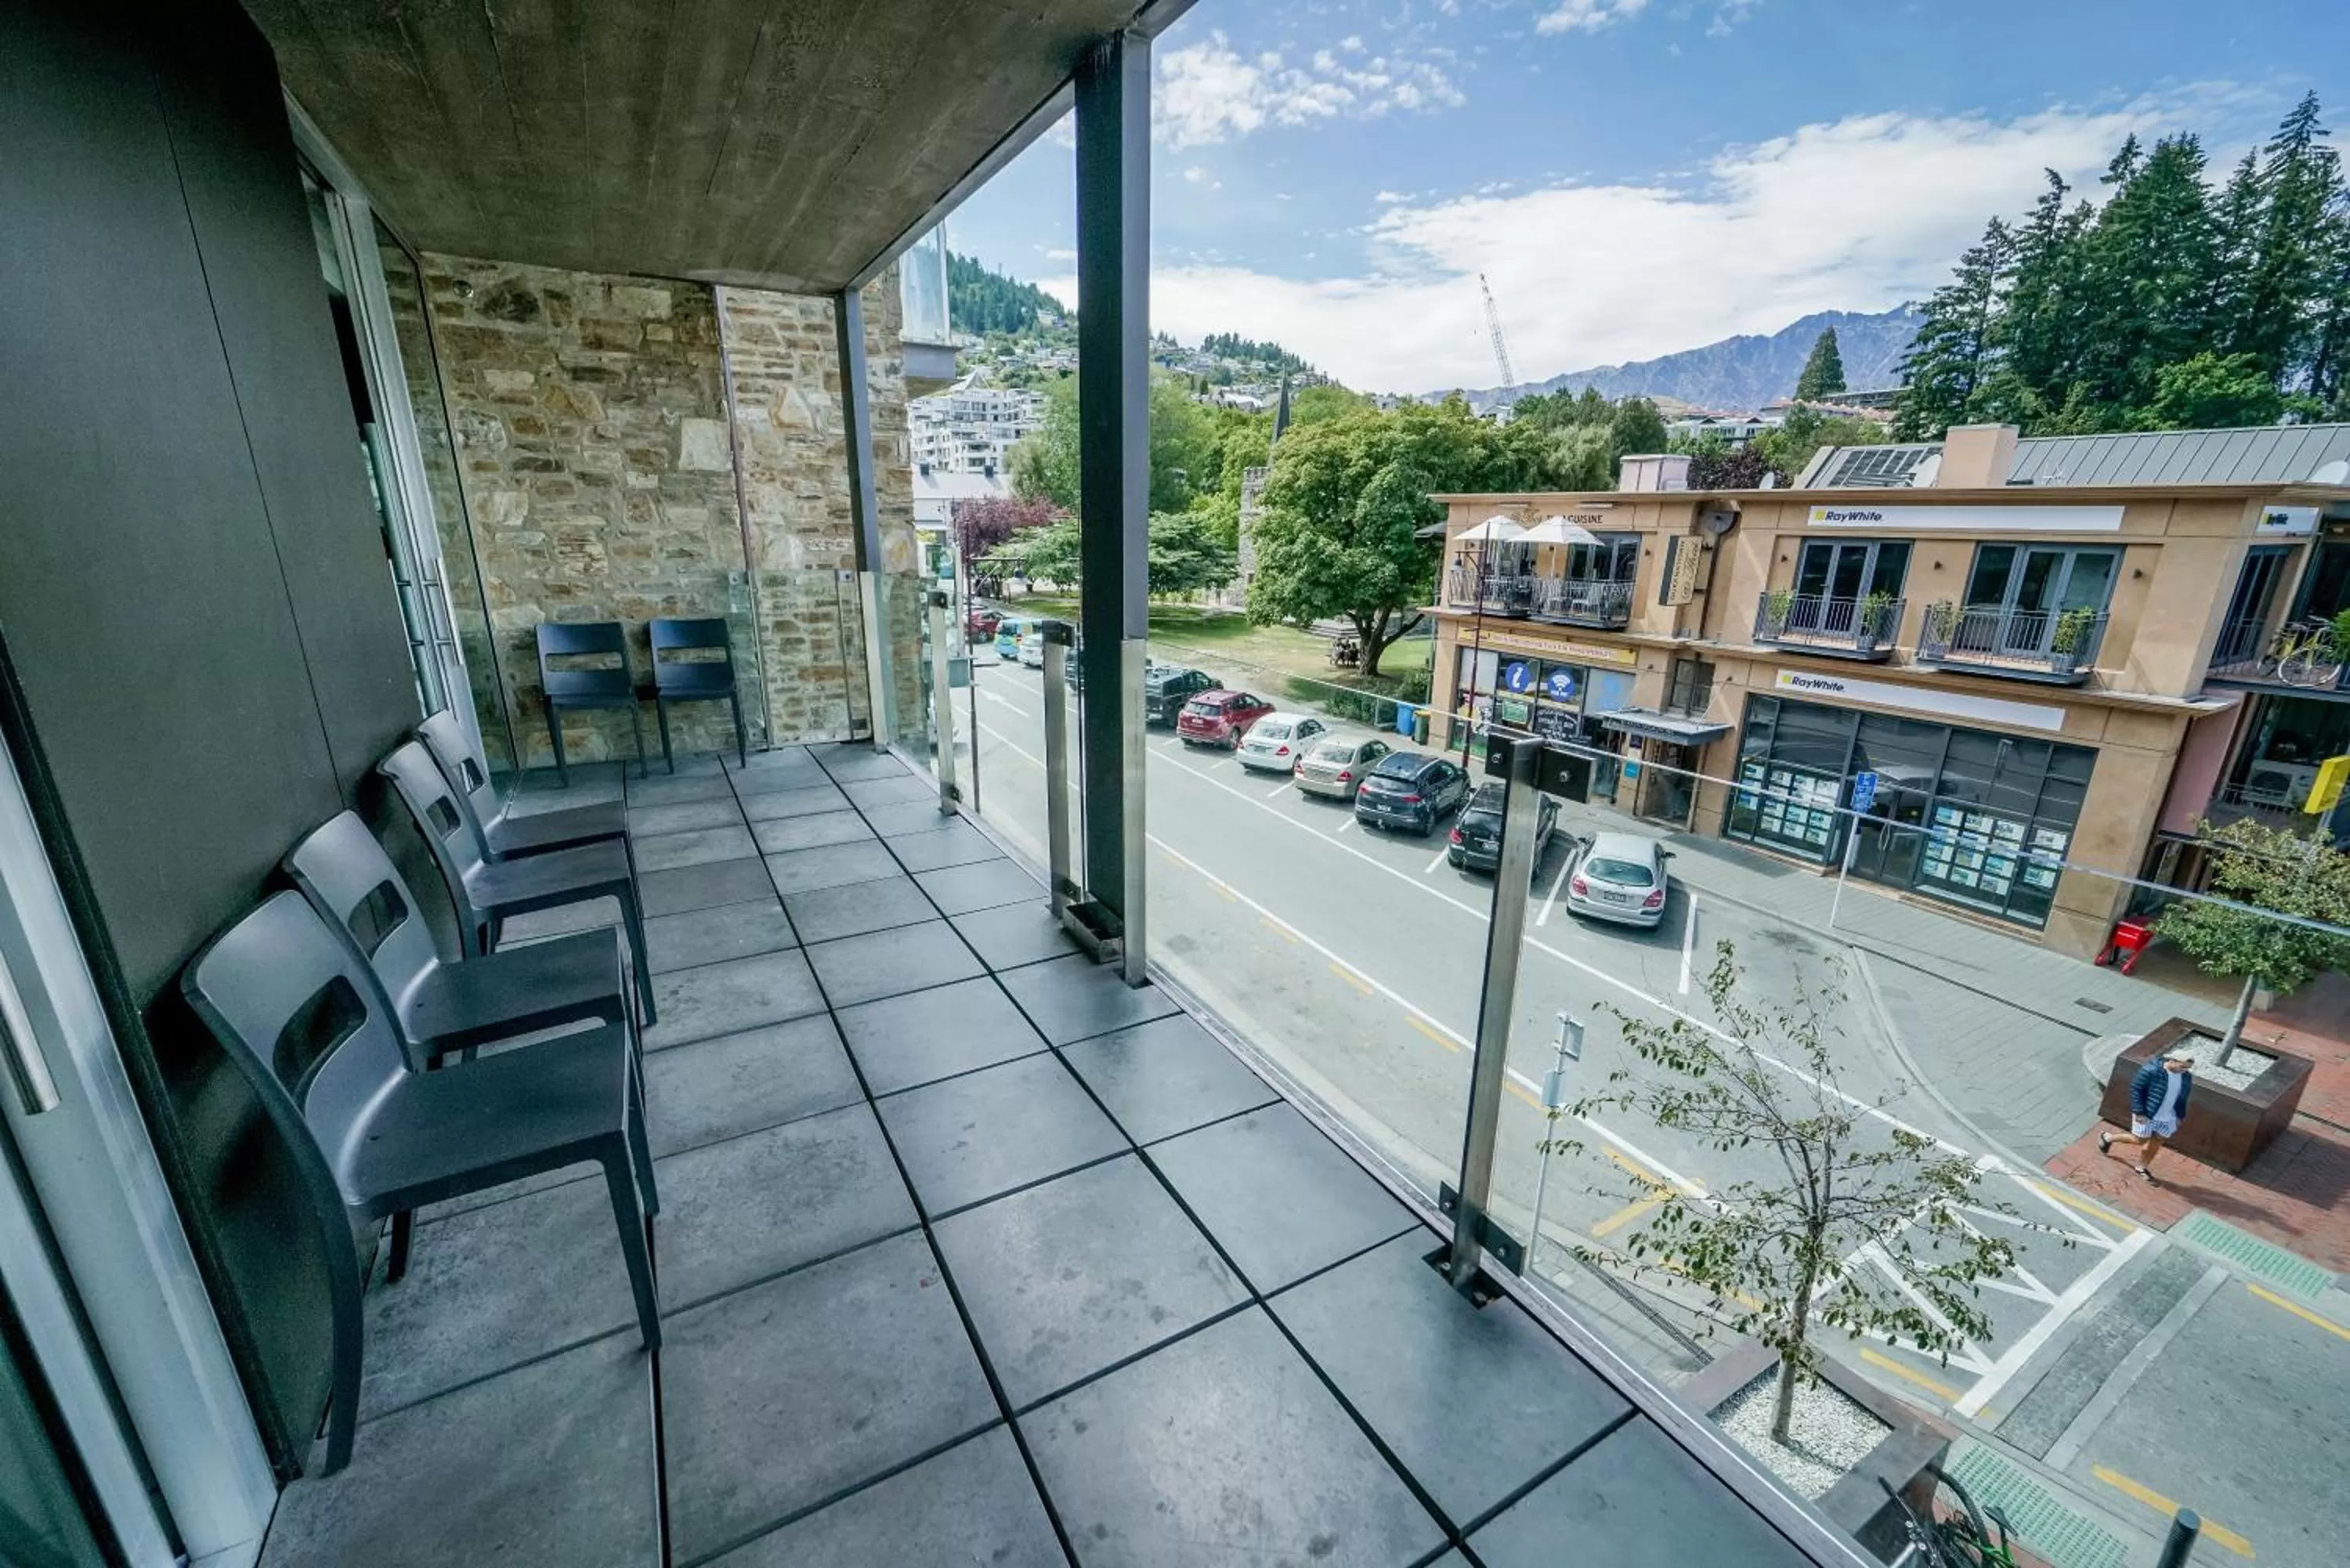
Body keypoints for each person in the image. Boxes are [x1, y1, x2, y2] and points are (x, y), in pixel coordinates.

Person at [2101, 1051, 2194, 1182]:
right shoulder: (2152, 1070)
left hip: (2169, 1117)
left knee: (2157, 1141)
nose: (2185, 1071)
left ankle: (2142, 1167)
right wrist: (2139, 1112)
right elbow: (2136, 1089)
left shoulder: (2186, 1077)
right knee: (2140, 1139)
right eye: (2182, 1067)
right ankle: (2108, 1138)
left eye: (2187, 1068)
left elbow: (2183, 1098)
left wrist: (2180, 1116)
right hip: (2148, 1113)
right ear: (2172, 1060)